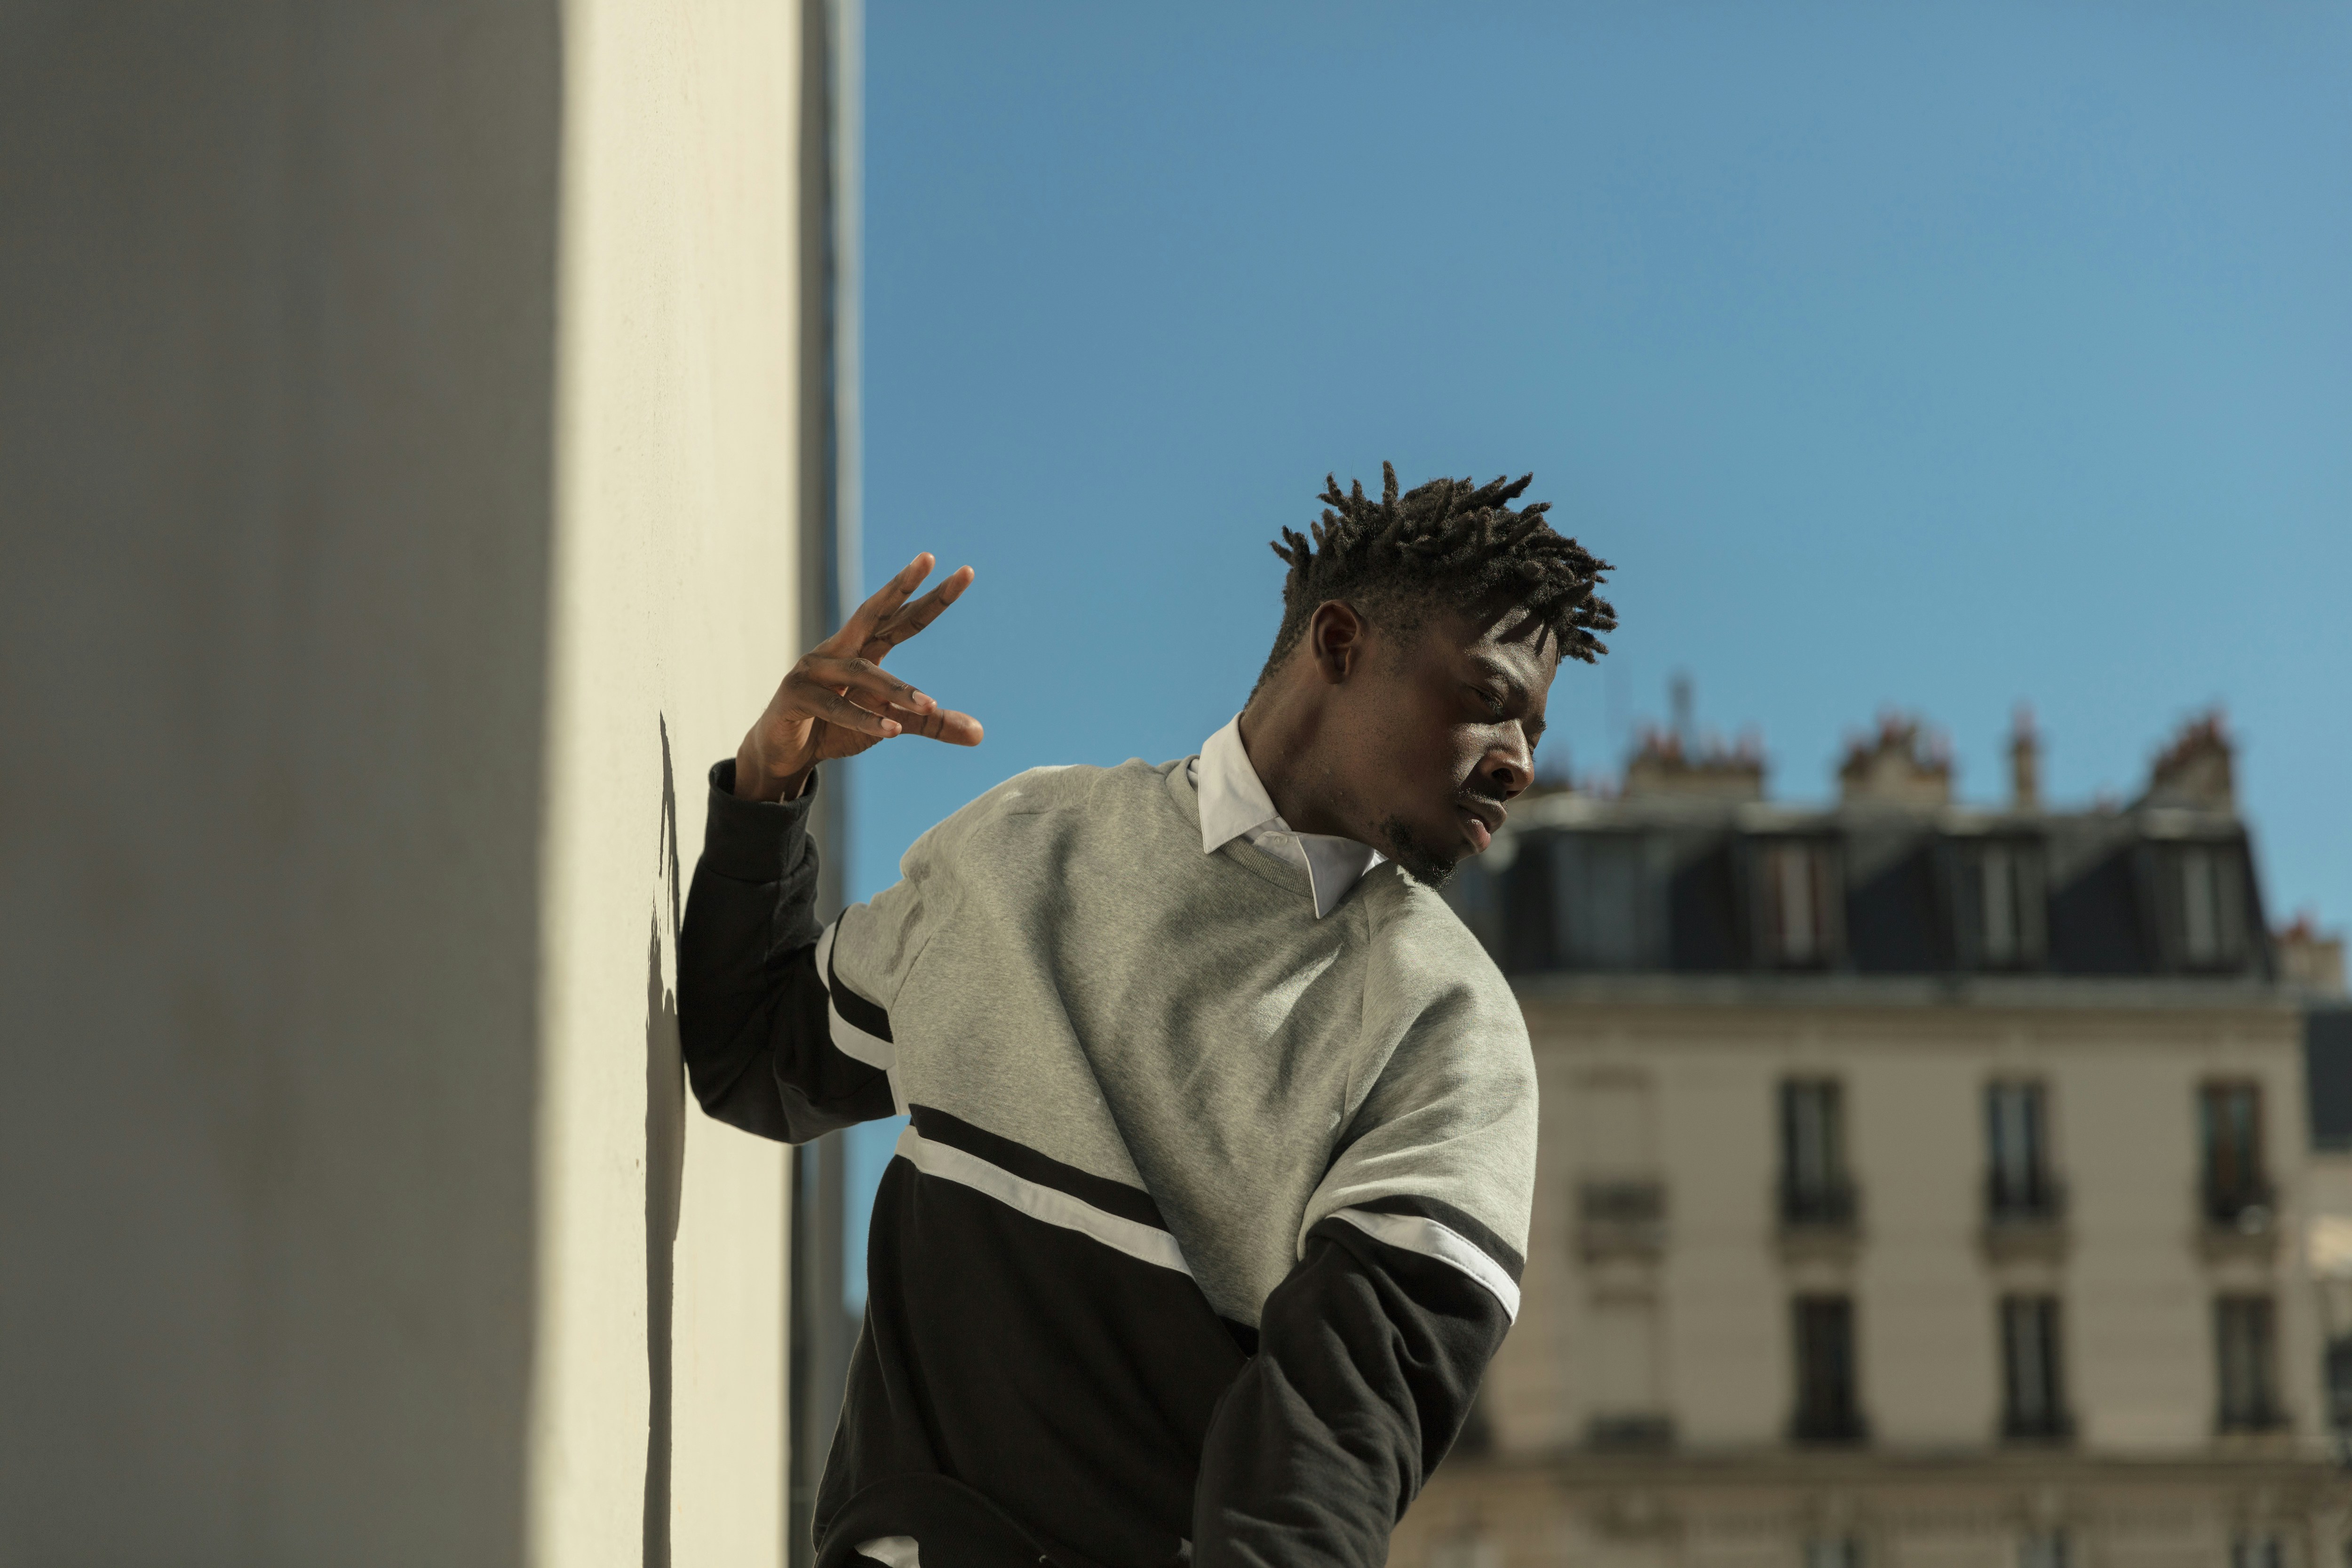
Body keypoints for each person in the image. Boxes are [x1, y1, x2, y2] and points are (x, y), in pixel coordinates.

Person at [677, 464, 1614, 1568]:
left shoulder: (1449, 1026)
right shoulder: (1026, 842)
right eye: (1490, 700)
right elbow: (751, 1052)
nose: (1518, 763)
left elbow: (1331, 1446)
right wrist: (770, 777)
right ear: (1341, 643)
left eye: (1535, 730)